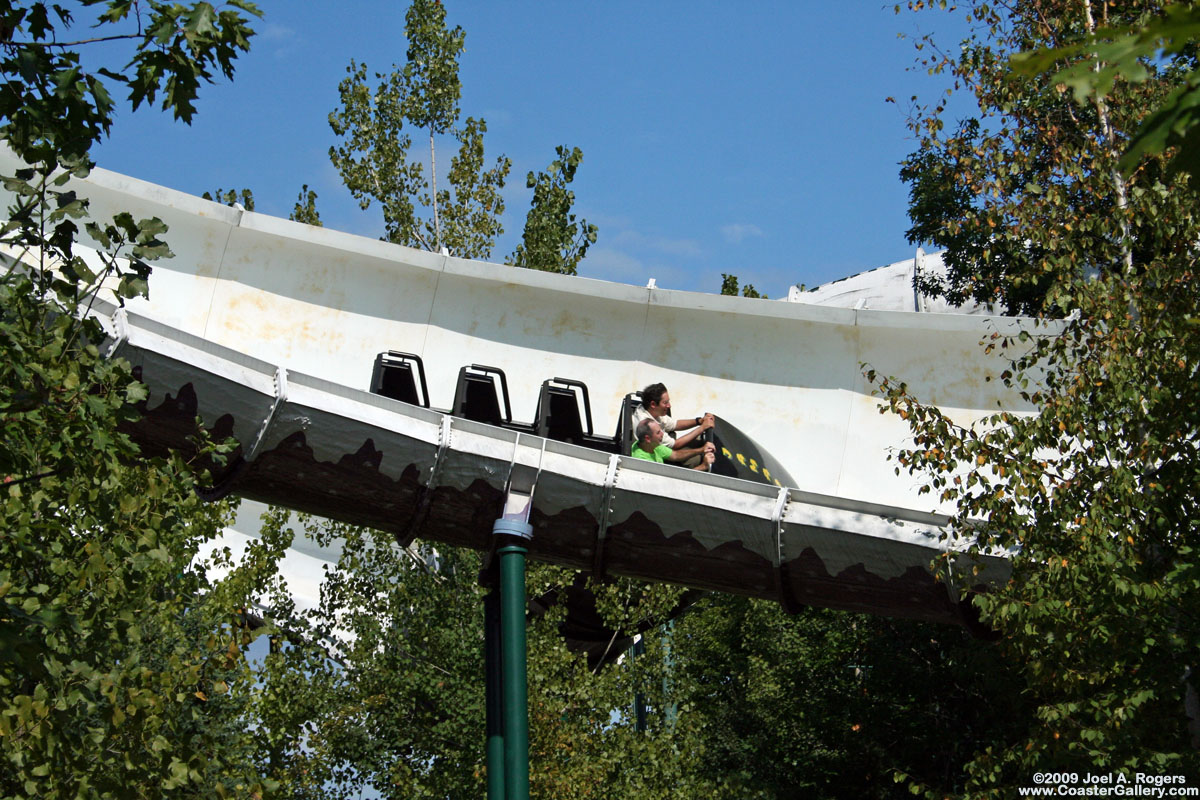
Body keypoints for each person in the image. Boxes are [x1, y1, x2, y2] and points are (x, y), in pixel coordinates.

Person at [632, 383, 715, 467]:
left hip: (665, 450)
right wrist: (702, 428)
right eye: (665, 403)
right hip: (662, 452)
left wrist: (699, 421)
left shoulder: (654, 412)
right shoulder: (649, 428)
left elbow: (674, 424)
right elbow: (675, 445)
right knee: (696, 459)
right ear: (653, 404)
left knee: (700, 440)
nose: (669, 405)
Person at [631, 418, 715, 472]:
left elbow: (675, 455)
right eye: (658, 433)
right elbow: (671, 482)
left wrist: (702, 449)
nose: (662, 434)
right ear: (648, 439)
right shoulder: (643, 462)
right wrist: (703, 466)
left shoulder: (651, 445)